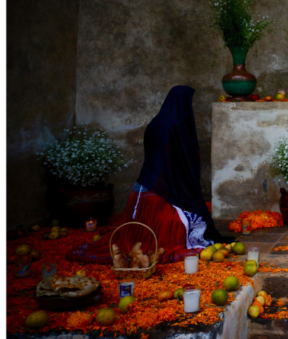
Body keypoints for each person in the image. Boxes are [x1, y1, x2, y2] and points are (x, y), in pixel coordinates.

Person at [67, 86, 232, 265]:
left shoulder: (157, 122)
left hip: (145, 184)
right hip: (162, 187)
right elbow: (180, 159)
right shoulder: (173, 125)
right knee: (183, 221)